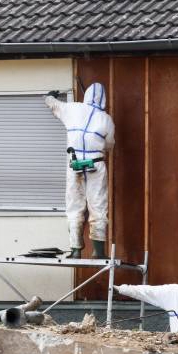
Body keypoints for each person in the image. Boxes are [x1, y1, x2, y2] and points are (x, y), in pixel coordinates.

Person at [45, 83, 115, 259]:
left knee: (74, 207)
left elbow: (52, 104)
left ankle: (76, 250)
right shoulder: (106, 119)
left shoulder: (72, 108)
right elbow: (110, 145)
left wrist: (50, 95)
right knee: (98, 207)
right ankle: (98, 252)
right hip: (96, 164)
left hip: (74, 164)